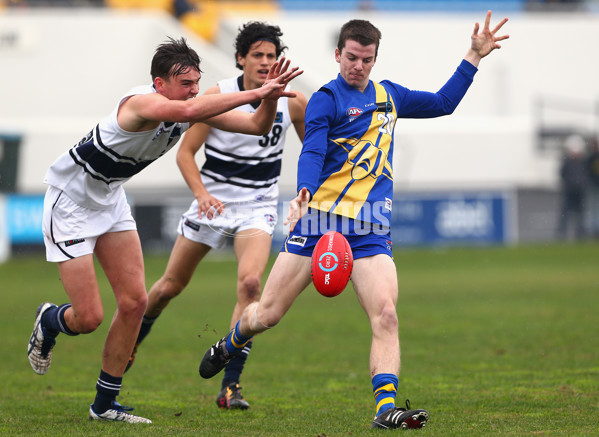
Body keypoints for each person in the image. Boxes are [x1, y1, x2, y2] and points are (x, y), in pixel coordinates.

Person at [199, 12, 509, 430]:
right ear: (337, 54)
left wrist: (473, 56)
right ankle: (232, 340)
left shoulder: (390, 95)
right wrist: (305, 191)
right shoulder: (327, 98)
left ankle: (385, 408)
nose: (357, 66)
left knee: (386, 315)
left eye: (366, 59)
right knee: (267, 314)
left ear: (375, 59)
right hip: (317, 224)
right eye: (350, 57)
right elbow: (311, 150)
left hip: (369, 229)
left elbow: (443, 103)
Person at [27, 36, 302, 424]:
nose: (193, 90)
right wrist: (249, 91)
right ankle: (51, 320)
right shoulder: (140, 103)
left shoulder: (186, 108)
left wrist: (269, 94)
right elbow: (190, 107)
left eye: (196, 82)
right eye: (185, 83)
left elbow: (258, 125)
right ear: (160, 84)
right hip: (70, 203)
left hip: (110, 200)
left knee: (136, 303)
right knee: (88, 318)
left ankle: (104, 405)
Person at [125, 22, 307, 411]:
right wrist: (202, 194)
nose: (264, 61)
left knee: (251, 284)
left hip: (257, 204)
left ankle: (230, 386)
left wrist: (310, 190)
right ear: (240, 58)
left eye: (271, 55)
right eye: (257, 55)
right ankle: (130, 344)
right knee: (169, 287)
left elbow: (312, 152)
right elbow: (185, 153)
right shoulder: (217, 95)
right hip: (213, 202)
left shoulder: (293, 101)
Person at [556, 134, 588, 240]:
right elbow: (562, 173)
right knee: (566, 212)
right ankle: (561, 233)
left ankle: (581, 233)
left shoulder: (583, 161)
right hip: (569, 190)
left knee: (580, 213)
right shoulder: (567, 161)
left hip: (580, 190)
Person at [585, 136, 599, 238]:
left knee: (594, 208)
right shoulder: (590, 158)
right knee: (593, 207)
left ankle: (595, 229)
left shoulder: (590, 157)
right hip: (593, 186)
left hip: (593, 185)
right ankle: (594, 229)